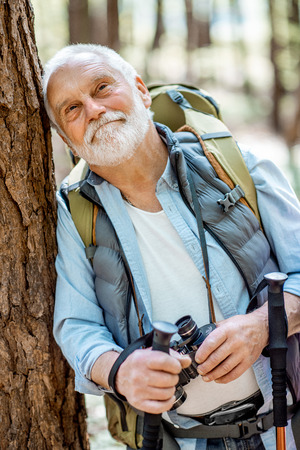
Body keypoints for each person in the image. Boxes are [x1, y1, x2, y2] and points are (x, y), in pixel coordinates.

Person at [42, 44, 300, 450]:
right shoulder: (75, 212)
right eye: (71, 109)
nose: (92, 109)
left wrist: (263, 325)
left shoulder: (236, 164)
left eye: (103, 87)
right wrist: (121, 372)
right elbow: (76, 326)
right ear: (66, 140)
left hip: (286, 427)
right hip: (178, 441)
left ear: (141, 91)